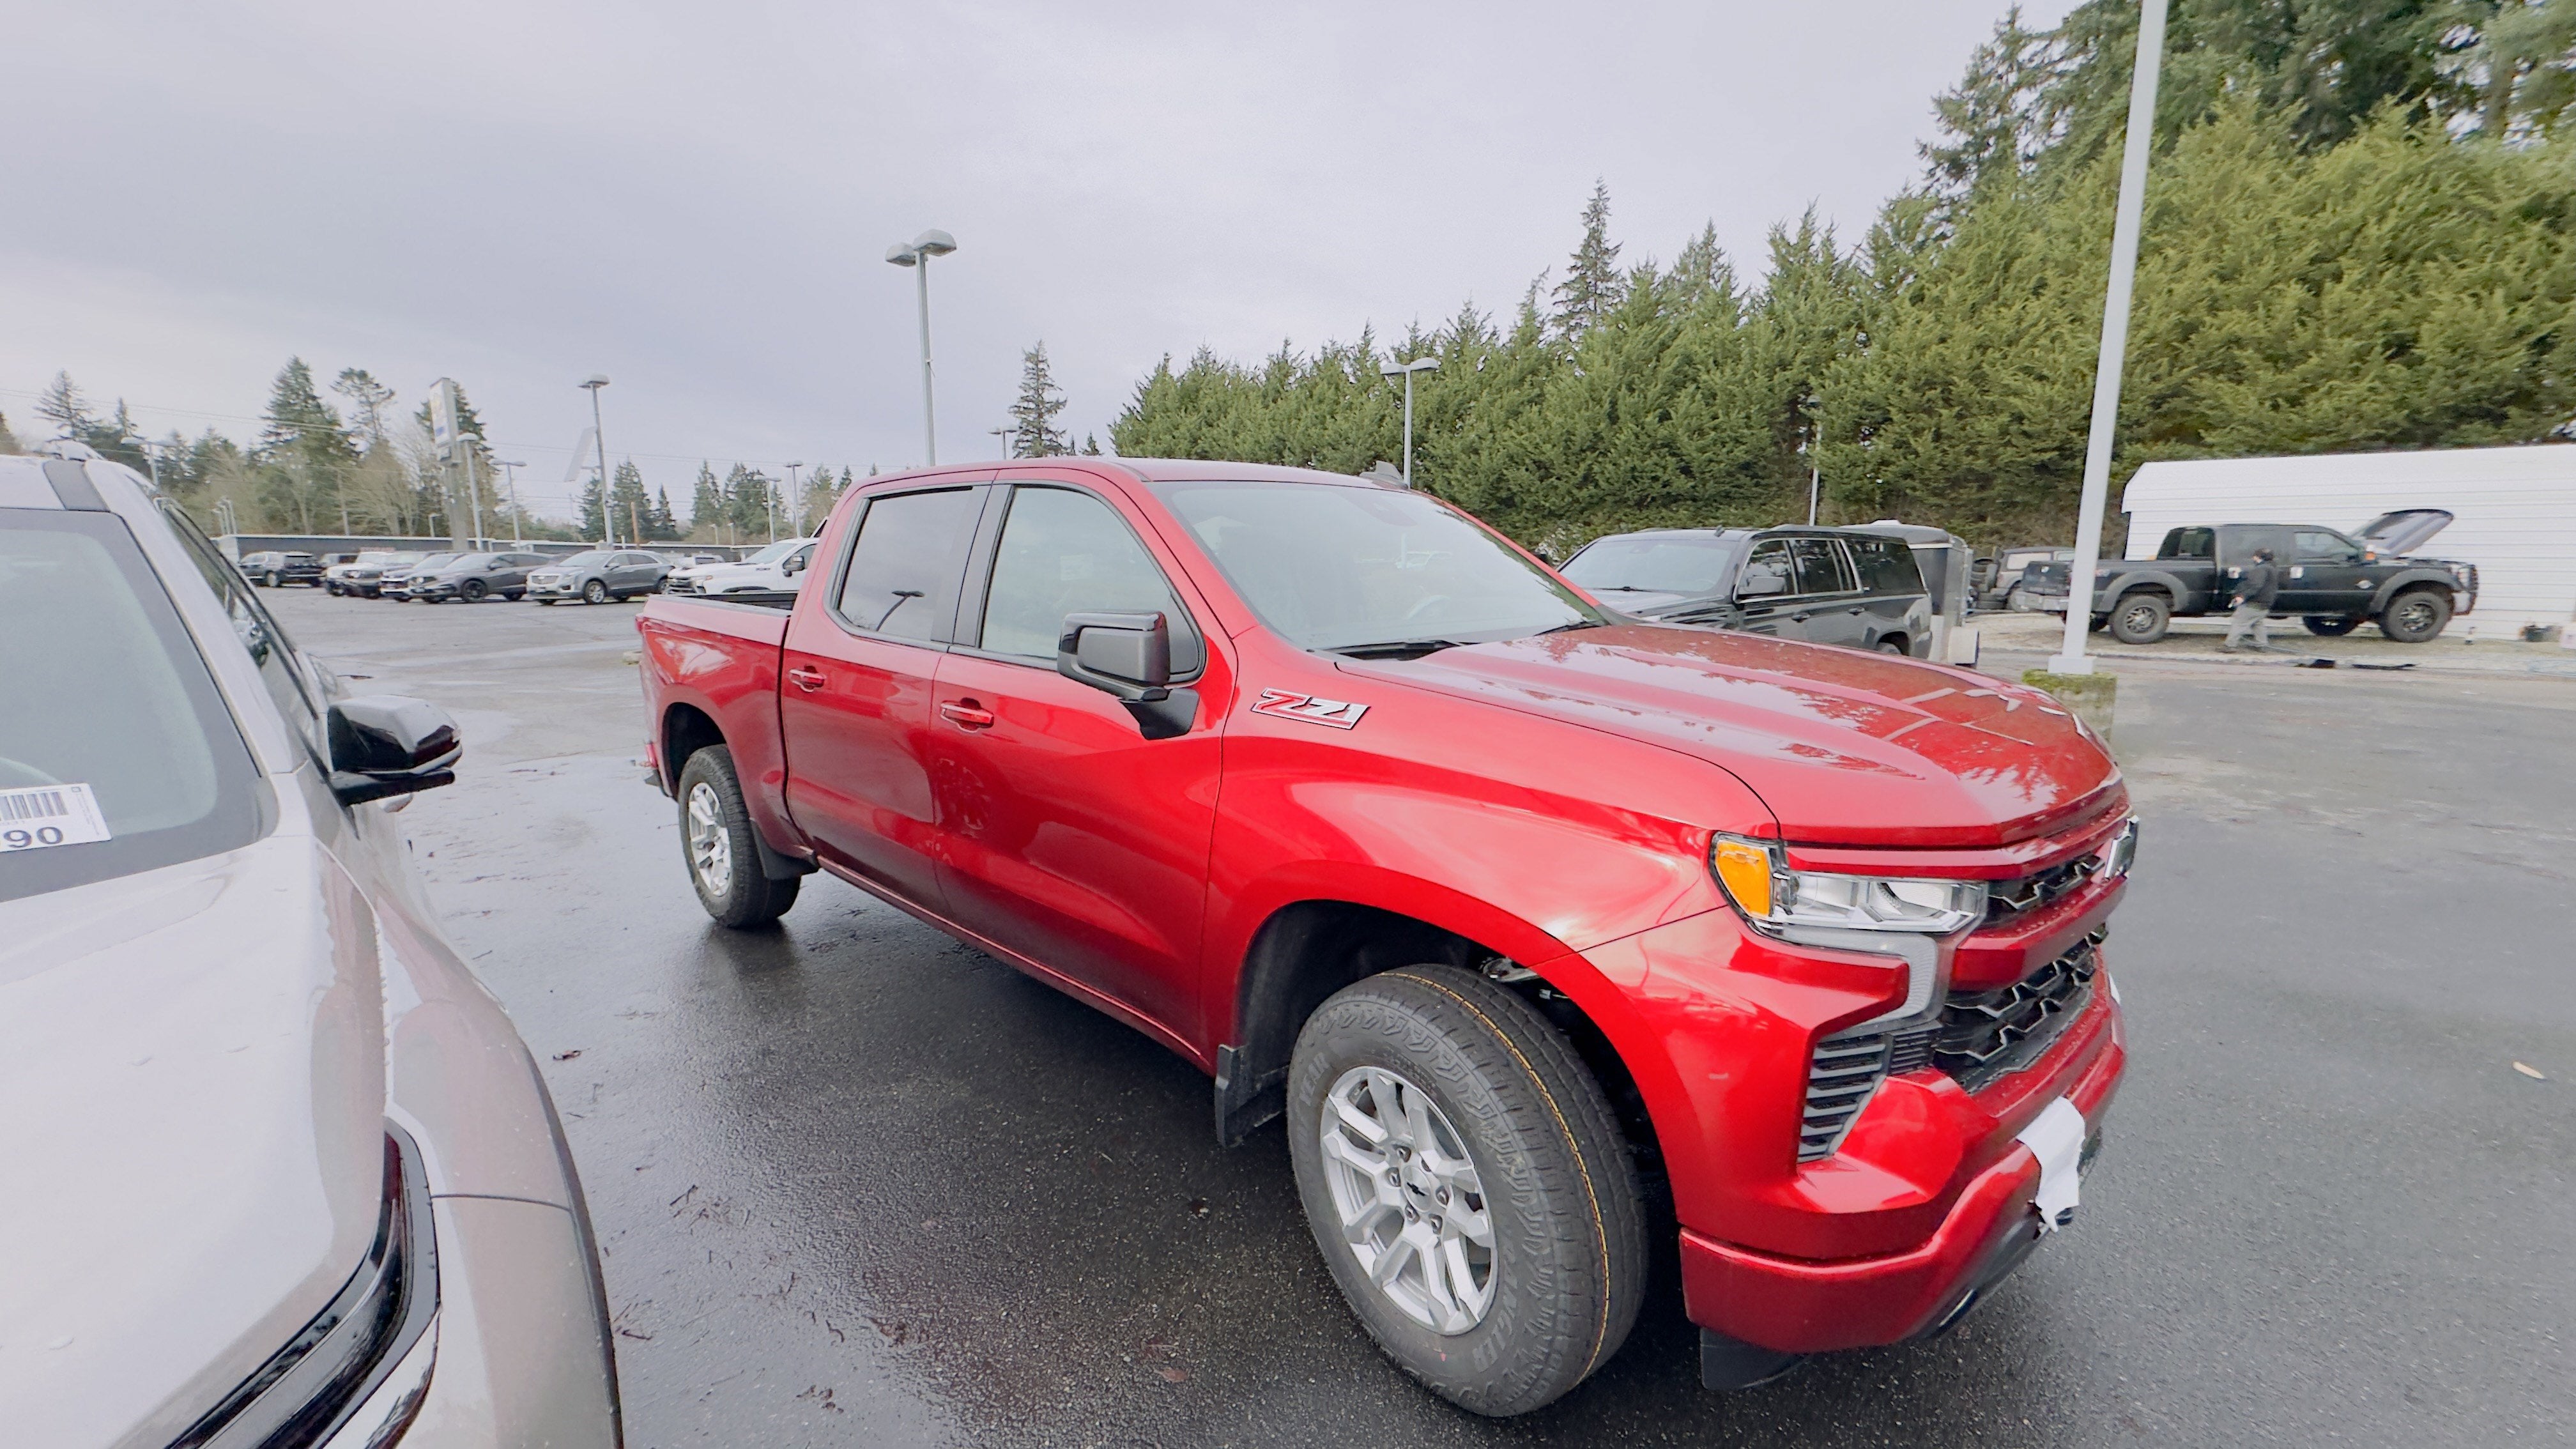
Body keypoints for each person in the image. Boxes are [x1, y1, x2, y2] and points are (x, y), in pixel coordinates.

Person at [2222, 546, 2280, 652]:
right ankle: (2261, 645)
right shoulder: (2272, 568)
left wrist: (2242, 596)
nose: (2253, 558)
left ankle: (2230, 646)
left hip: (2255, 602)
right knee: (2257, 623)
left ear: (2258, 557)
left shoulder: (2261, 569)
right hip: (2265, 603)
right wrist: (2242, 573)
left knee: (2239, 622)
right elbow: (2257, 579)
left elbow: (2255, 585)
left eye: (2254, 556)